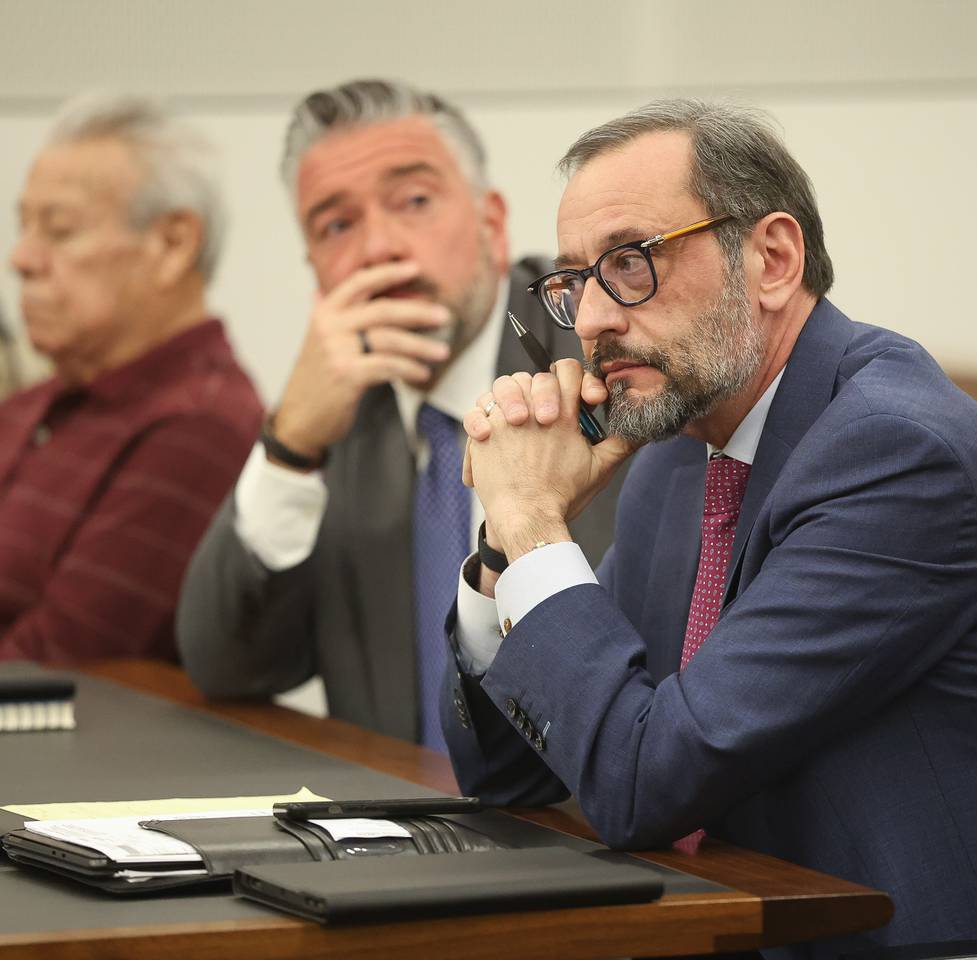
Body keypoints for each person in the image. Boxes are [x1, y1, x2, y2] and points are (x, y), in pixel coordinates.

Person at [444, 100, 977, 957]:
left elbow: (641, 784)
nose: (595, 320)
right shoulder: (680, 455)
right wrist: (505, 548)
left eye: (631, 262)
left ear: (772, 259)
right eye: (574, 283)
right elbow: (509, 775)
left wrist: (537, 523)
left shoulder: (895, 455)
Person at [176, 79, 622, 750]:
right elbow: (228, 664)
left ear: (492, 226)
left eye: (414, 201)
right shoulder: (341, 413)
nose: (379, 248)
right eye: (337, 224)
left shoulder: (602, 371)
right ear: (316, 271)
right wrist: (289, 443)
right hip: (396, 832)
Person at [1, 94, 261, 662]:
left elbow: (55, 662)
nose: (21, 258)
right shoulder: (34, 402)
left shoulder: (199, 425)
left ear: (172, 245)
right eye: (24, 227)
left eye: (59, 231)